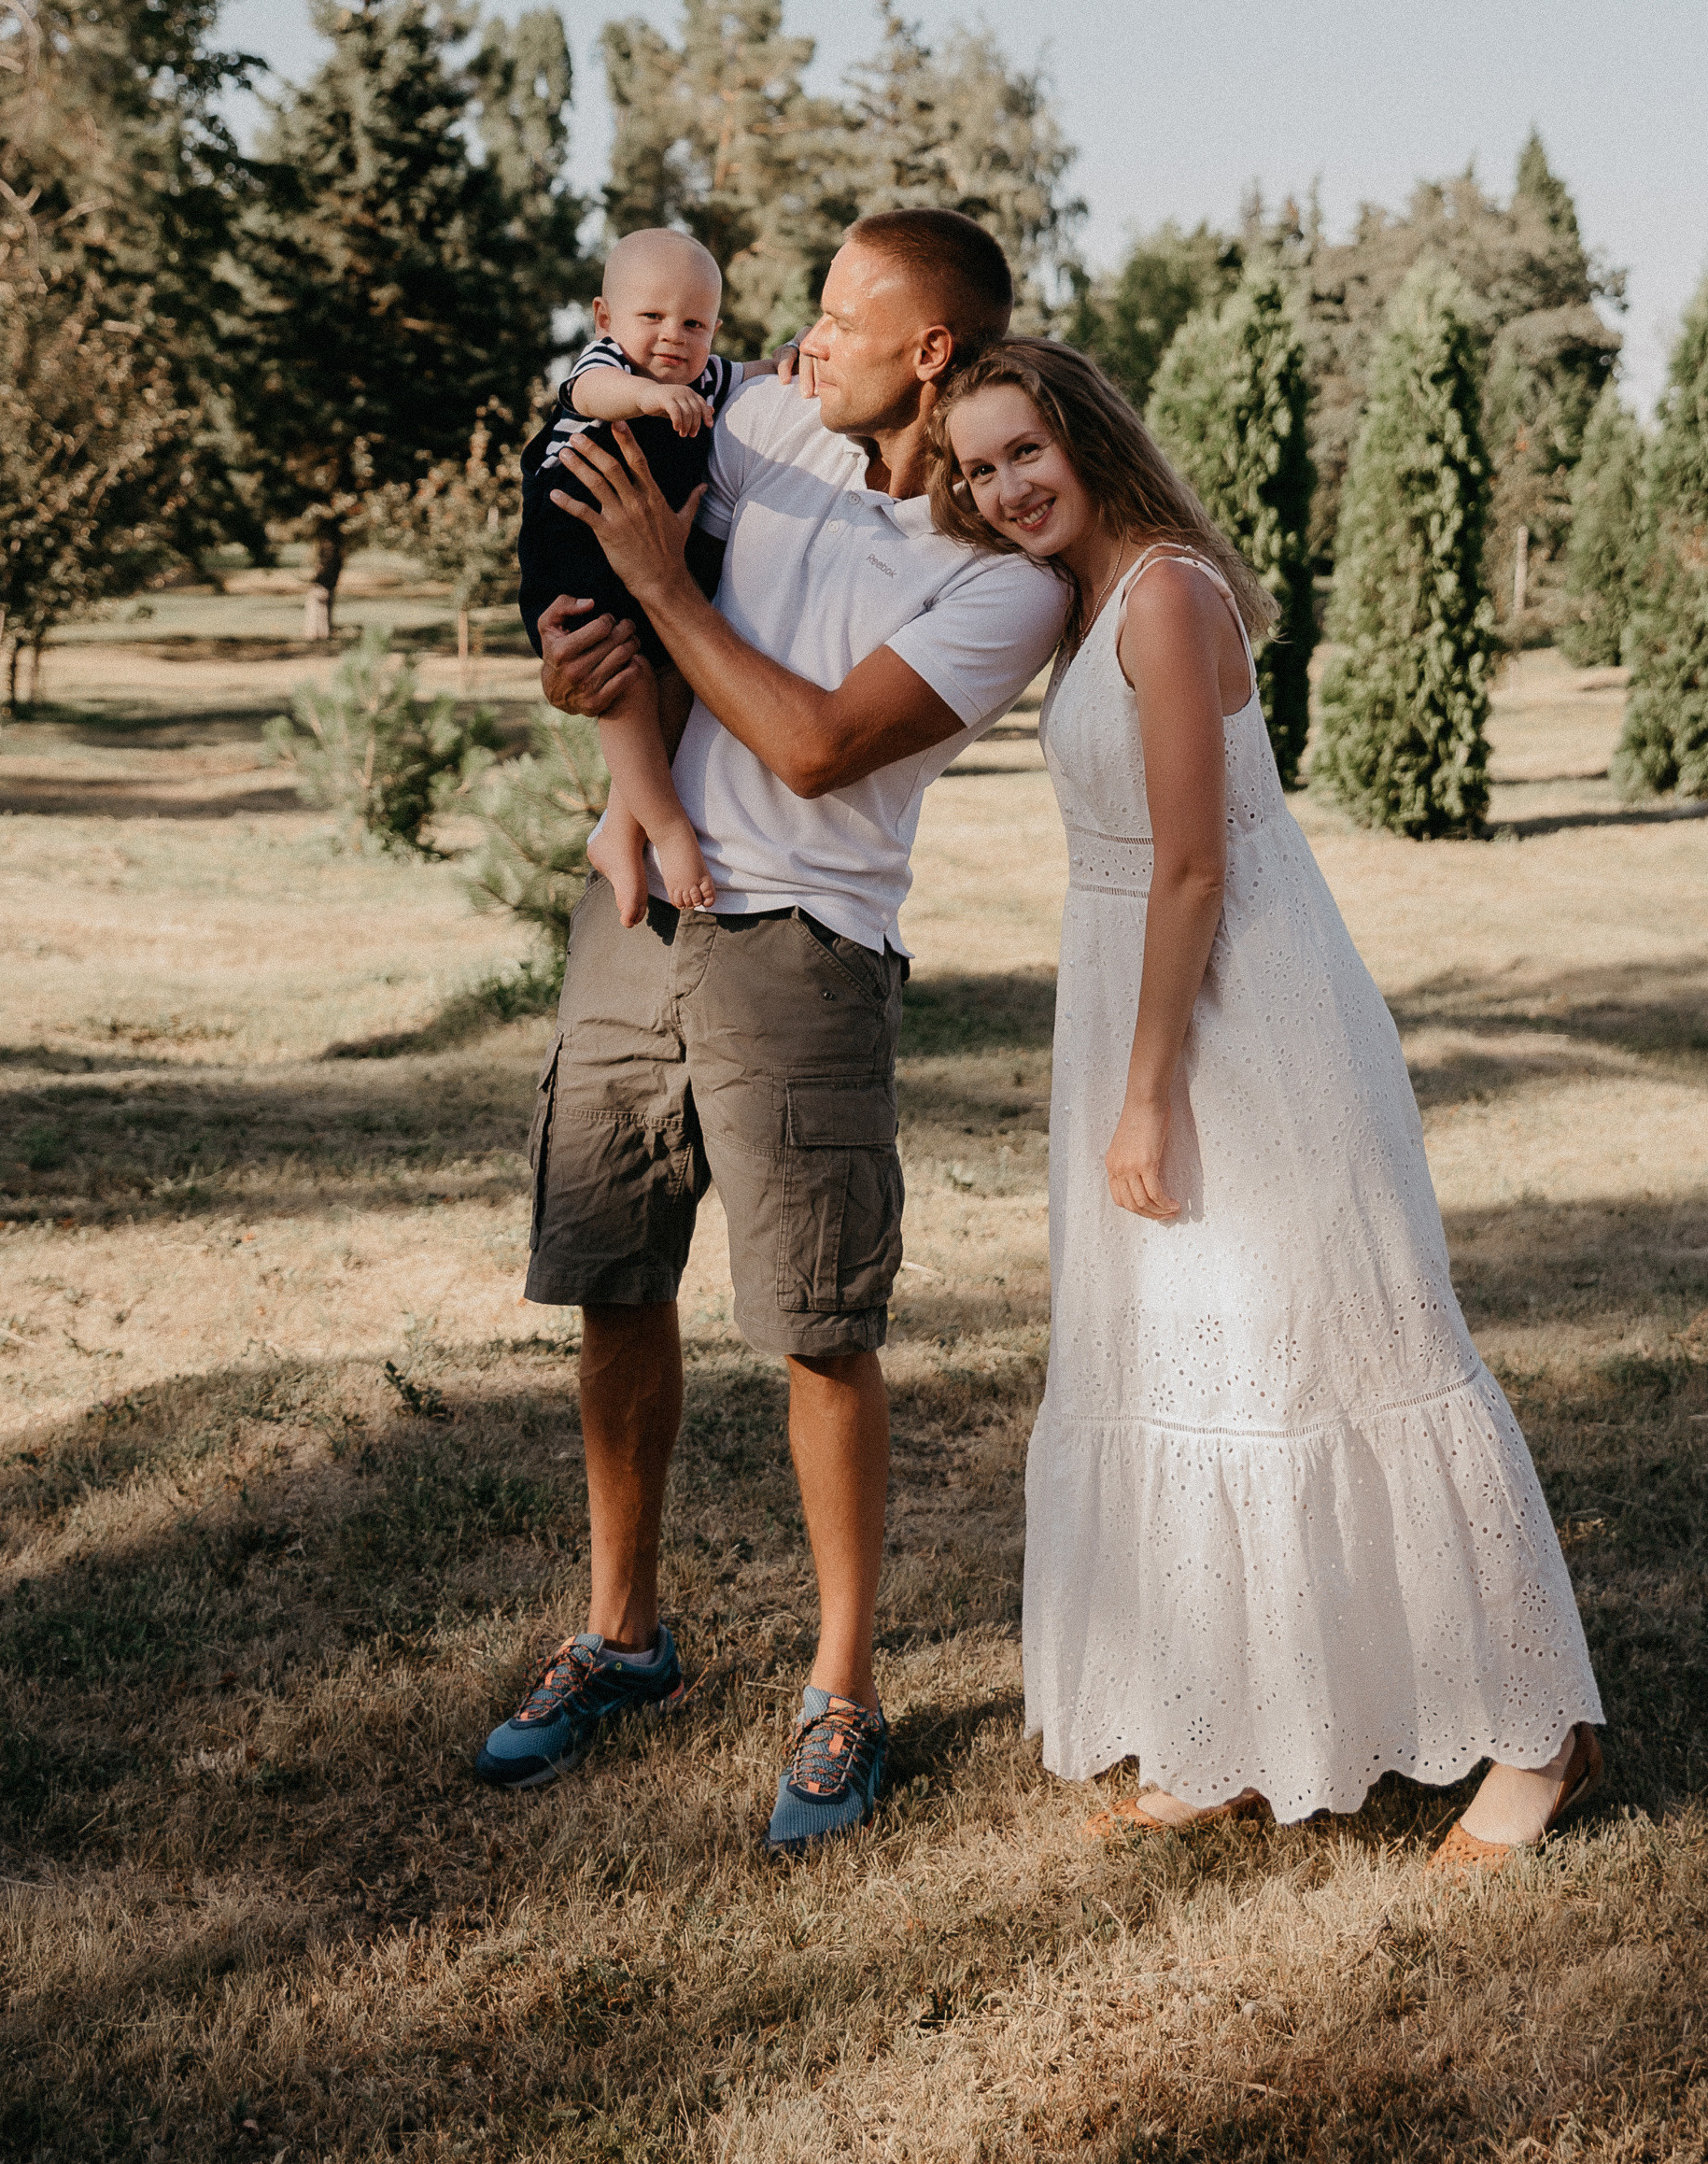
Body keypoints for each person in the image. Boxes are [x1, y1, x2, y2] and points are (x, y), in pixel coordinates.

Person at [933, 341, 1604, 1868]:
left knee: (1347, 1355)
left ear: (1085, 437)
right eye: (975, 468)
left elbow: (1191, 864)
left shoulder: (1164, 592)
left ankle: (1534, 1737)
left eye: (1019, 451)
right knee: (1200, 1368)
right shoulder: (1084, 599)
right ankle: (1236, 1725)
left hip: (1235, 1022)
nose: (999, 488)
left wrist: (1147, 1093)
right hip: (1137, 998)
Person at [475, 213, 1069, 1854]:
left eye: (840, 317)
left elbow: (813, 747)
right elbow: (605, 428)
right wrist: (575, 653)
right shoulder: (764, 419)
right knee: (610, 1278)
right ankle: (621, 1633)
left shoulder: (1000, 576)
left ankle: (841, 1687)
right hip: (639, 912)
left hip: (805, 941)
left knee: (816, 1324)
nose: (802, 342)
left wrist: (661, 591)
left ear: (929, 351)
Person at [517, 226, 784, 926]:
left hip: (640, 550)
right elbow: (593, 390)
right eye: (652, 317)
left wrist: (788, 360)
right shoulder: (611, 370)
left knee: (671, 672)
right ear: (606, 319)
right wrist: (646, 396)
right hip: (572, 538)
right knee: (620, 678)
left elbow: (754, 373)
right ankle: (665, 832)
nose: (673, 335)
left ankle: (619, 825)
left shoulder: (703, 376)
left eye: (694, 323)